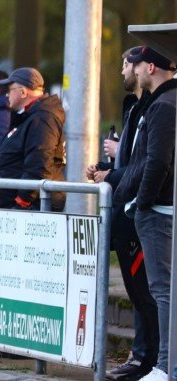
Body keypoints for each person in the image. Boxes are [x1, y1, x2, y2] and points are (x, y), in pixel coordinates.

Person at [86, 47, 157, 381]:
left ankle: (147, 359)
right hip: (127, 210)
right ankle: (143, 357)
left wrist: (112, 172)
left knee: (146, 293)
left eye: (127, 64)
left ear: (145, 68)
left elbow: (145, 163)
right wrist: (106, 167)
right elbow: (132, 159)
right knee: (139, 292)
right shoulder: (136, 106)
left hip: (141, 213)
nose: (123, 71)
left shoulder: (158, 107)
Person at [114, 46, 176, 381]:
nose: (132, 72)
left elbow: (158, 162)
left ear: (150, 67)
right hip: (152, 209)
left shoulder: (165, 105)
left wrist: (141, 202)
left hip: (156, 212)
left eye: (135, 66)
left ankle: (165, 366)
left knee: (162, 291)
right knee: (161, 291)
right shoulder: (159, 103)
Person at [0, 67, 66, 211]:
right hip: (22, 205)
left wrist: (22, 201)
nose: (7, 95)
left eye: (10, 90)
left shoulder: (42, 119)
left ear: (23, 92)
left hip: (31, 208)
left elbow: (39, 164)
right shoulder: (29, 117)